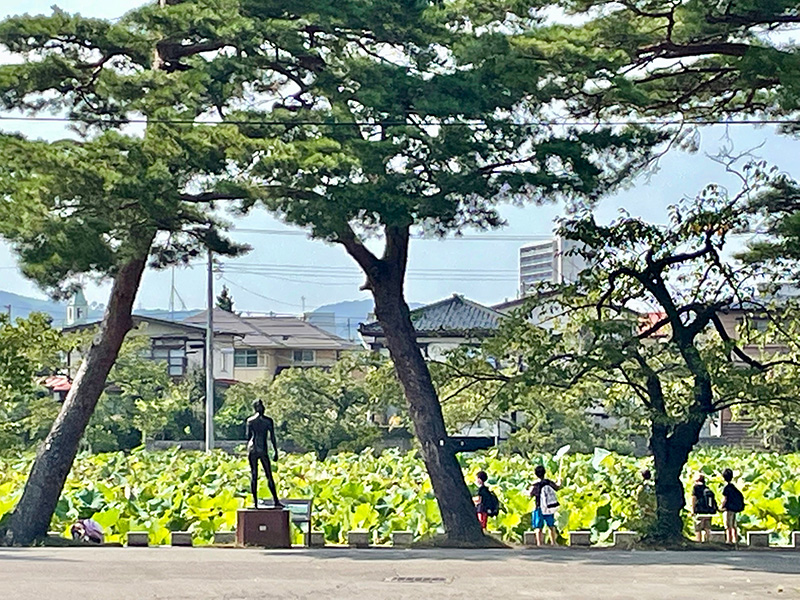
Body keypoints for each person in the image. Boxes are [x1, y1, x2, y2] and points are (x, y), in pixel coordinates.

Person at [246, 399, 283, 509]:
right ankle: (275, 501)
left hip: (252, 448)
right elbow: (272, 438)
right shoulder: (268, 421)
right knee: (268, 475)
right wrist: (275, 451)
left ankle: (255, 502)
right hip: (262, 448)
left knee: (254, 475)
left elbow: (248, 436)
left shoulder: (250, 421)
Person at [529, 465, 561, 546]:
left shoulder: (536, 485)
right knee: (551, 525)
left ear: (535, 474)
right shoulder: (548, 482)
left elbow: (531, 494)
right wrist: (559, 481)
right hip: (549, 507)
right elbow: (557, 487)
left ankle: (539, 544)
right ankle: (553, 542)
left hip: (539, 507)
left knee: (538, 527)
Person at [720, 468, 745, 545]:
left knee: (728, 525)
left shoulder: (726, 488)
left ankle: (729, 540)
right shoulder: (734, 488)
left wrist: (721, 507)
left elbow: (725, 499)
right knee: (733, 525)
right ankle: (735, 539)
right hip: (734, 508)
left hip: (728, 509)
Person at [691, 473, 717, 542]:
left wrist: (693, 510)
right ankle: (708, 541)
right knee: (707, 528)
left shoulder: (695, 488)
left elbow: (694, 499)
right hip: (708, 511)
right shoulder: (707, 488)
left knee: (698, 528)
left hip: (699, 511)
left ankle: (698, 541)